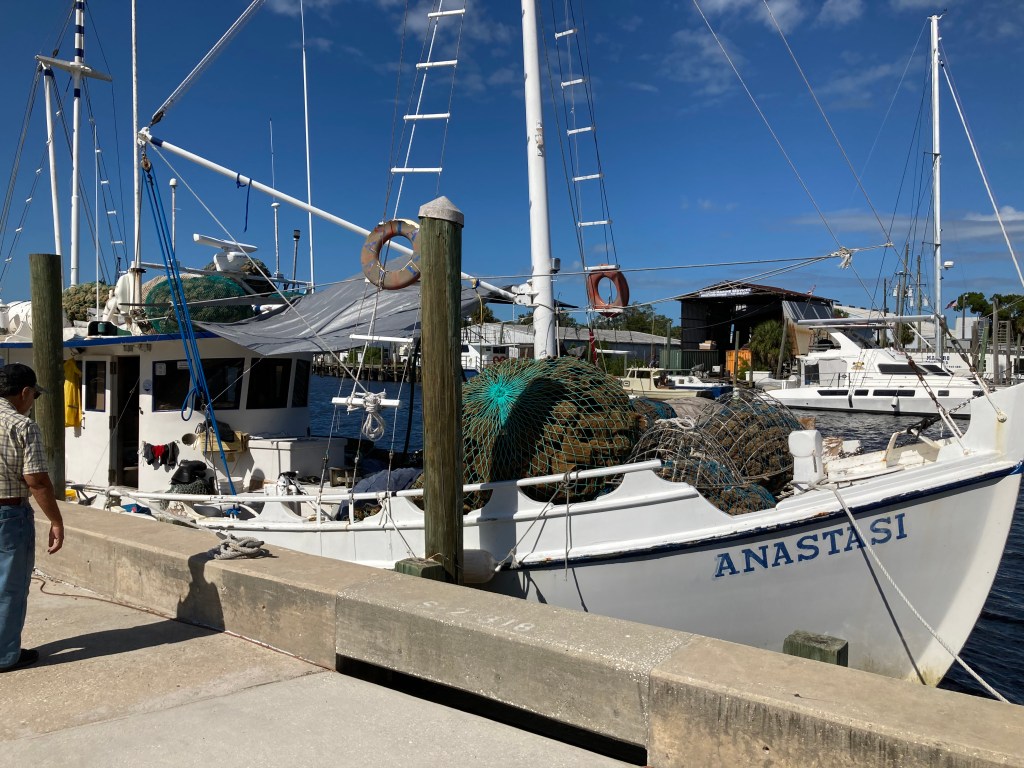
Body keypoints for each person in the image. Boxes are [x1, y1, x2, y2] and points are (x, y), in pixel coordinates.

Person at [0, 362, 64, 672]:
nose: (33, 401)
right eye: (34, 396)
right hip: (8, 515)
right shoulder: (22, 426)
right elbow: (36, 481)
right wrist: (56, 521)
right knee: (8, 588)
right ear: (25, 392)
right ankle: (3, 656)